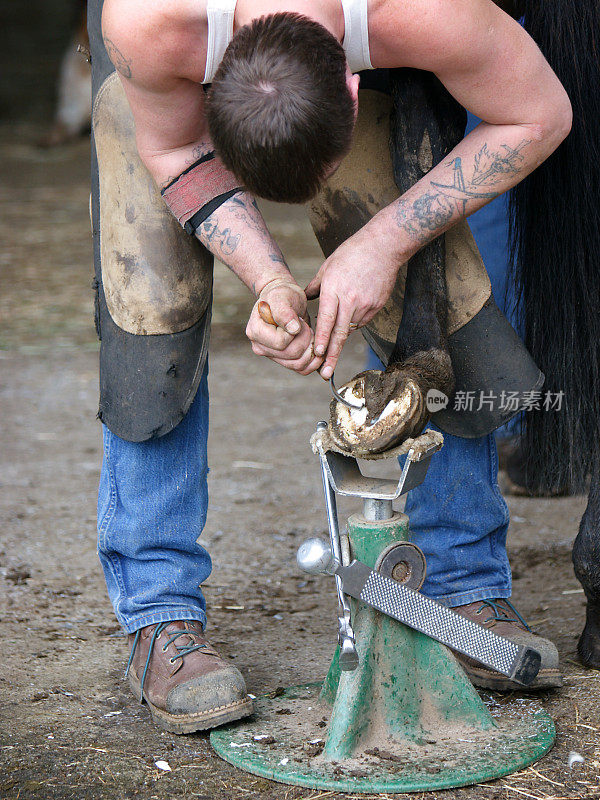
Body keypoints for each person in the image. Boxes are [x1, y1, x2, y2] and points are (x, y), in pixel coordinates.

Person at [93, 0, 571, 733]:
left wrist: (385, 241)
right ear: (212, 88)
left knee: (421, 252)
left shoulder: (426, 11)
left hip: (367, 38)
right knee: (150, 296)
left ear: (351, 82)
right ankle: (161, 616)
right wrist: (270, 278)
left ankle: (464, 581)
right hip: (162, 69)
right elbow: (173, 152)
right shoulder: (150, 23)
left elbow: (538, 114)